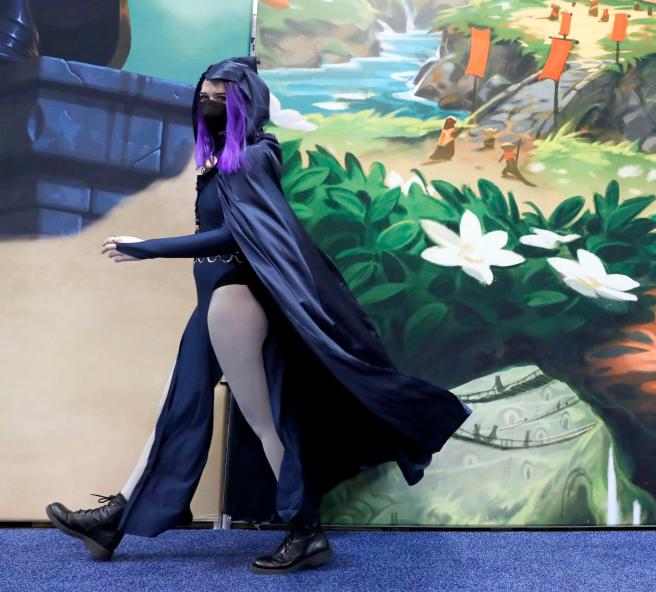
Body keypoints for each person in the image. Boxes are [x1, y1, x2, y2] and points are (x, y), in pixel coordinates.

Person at [44, 56, 473, 575]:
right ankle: (116, 517)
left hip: (234, 298)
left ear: (244, 104)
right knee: (178, 406)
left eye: (221, 99)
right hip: (214, 299)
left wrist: (152, 248)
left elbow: (238, 235)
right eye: (204, 97)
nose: (208, 105)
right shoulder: (226, 159)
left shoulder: (251, 157)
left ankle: (305, 530)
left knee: (262, 417)